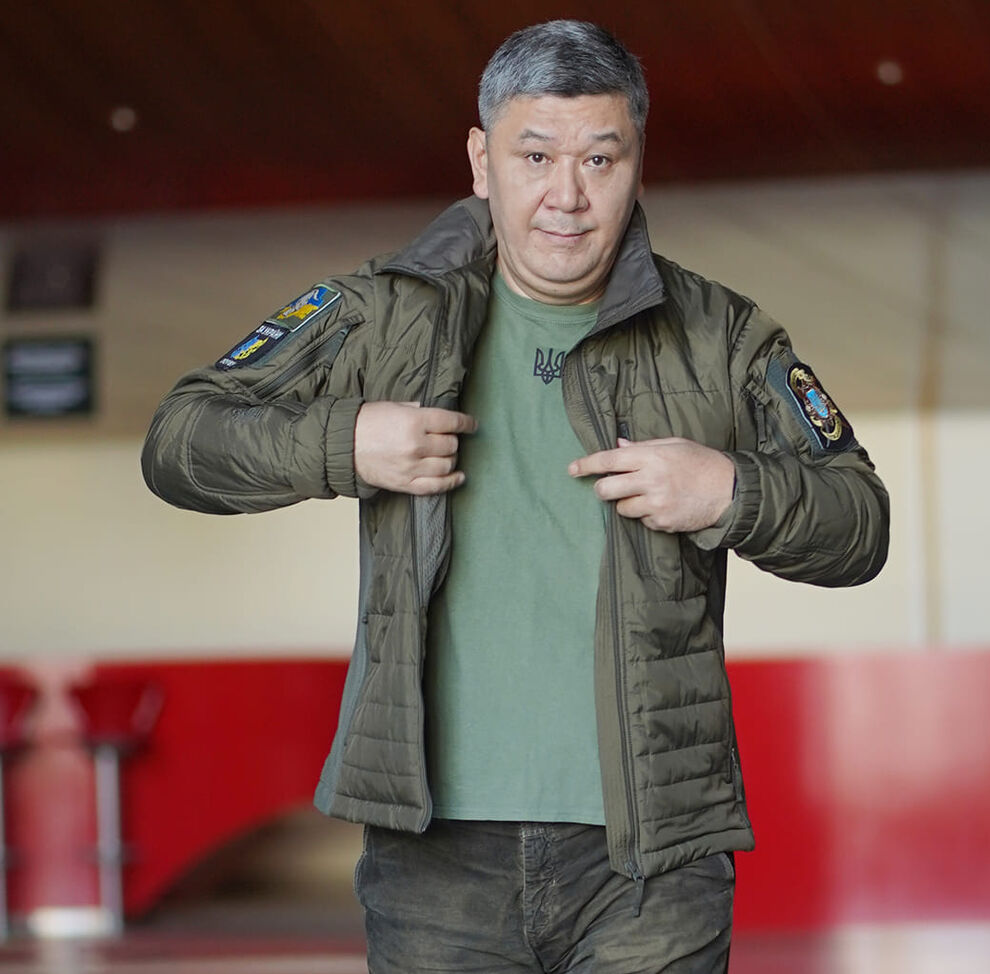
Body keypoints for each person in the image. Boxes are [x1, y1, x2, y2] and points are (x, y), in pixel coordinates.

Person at [142, 19, 888, 974]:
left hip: (653, 862)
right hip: (435, 865)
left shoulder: (723, 336)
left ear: (637, 166)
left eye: (599, 159)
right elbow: (181, 438)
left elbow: (861, 520)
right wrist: (344, 442)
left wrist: (728, 490)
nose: (566, 195)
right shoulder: (379, 312)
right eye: (534, 156)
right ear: (479, 160)